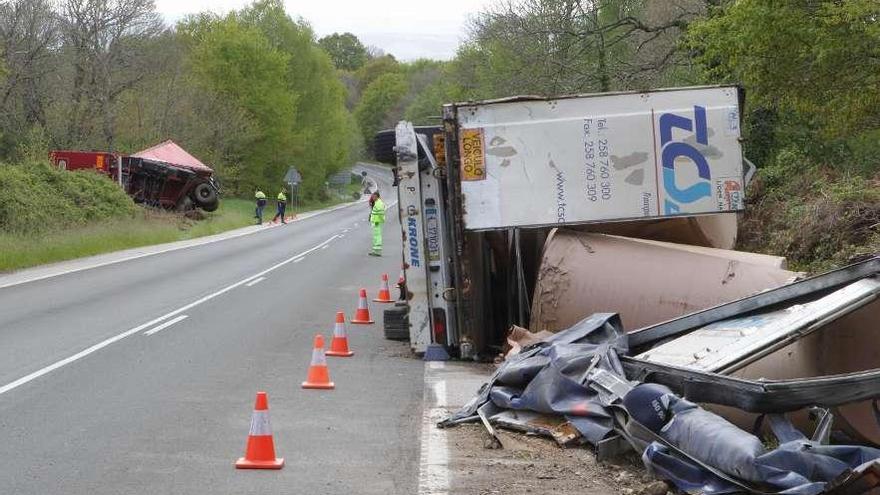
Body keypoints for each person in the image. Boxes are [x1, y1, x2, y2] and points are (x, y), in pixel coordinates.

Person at [368, 191, 386, 256]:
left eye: (374, 197)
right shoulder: (377, 202)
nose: (373, 198)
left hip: (376, 222)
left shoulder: (378, 203)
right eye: (372, 197)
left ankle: (377, 251)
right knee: (375, 236)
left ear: (377, 197)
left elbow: (381, 213)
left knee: (377, 236)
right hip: (375, 221)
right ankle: (375, 251)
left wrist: (379, 221)